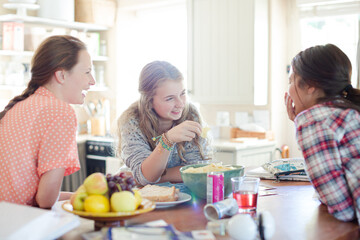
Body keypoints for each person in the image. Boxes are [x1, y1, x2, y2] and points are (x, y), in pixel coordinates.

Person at [0, 35, 95, 208]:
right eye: (87, 72)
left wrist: (82, 196)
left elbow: (30, 193)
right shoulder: (60, 112)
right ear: (61, 75)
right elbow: (45, 200)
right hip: (16, 225)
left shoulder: (20, 106)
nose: (92, 81)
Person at [285, 43, 360, 224]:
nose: (288, 90)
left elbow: (341, 209)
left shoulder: (313, 121)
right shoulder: (348, 111)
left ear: (311, 85)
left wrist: (301, 123)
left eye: (290, 80)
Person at [117, 61, 211, 186]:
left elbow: (196, 171)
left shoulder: (191, 114)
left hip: (184, 196)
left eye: (182, 93)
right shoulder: (132, 121)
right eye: (170, 98)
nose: (180, 104)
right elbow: (146, 176)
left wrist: (142, 177)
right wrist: (167, 140)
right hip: (144, 200)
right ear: (149, 101)